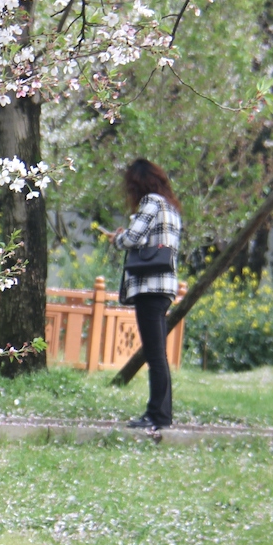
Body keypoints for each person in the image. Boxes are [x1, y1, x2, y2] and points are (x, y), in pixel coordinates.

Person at [103, 158, 182, 431]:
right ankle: (162, 414)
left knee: (154, 353)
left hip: (149, 287)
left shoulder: (151, 203)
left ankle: (156, 415)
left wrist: (117, 239)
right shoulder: (170, 207)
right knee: (158, 353)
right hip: (165, 287)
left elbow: (133, 238)